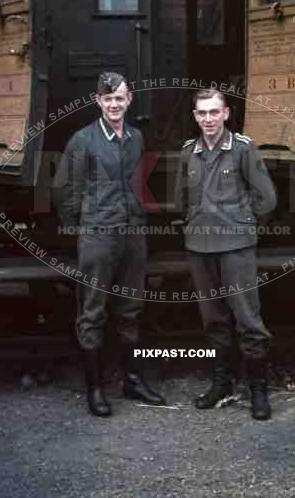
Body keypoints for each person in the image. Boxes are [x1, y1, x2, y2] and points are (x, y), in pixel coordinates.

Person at [53, 72, 165, 417]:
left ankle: (131, 381)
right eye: (108, 99)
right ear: (97, 101)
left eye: (120, 98)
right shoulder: (82, 140)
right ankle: (96, 389)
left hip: (133, 235)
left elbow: (138, 184)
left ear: (129, 100)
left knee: (131, 309)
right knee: (93, 312)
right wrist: (85, 227)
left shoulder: (136, 137)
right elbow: (64, 192)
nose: (114, 105)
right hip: (98, 235)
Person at [179, 89, 277, 420]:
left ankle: (258, 391)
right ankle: (221, 384)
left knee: (248, 319)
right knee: (213, 320)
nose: (208, 118)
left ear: (226, 114)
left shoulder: (243, 149)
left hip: (236, 246)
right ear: (195, 117)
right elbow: (184, 199)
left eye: (213, 112)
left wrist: (240, 224)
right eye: (202, 113)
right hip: (199, 247)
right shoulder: (188, 153)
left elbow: (266, 199)